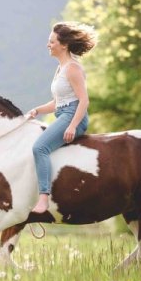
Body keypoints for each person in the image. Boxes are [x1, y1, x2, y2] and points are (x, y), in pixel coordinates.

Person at [26, 21, 97, 214]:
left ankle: (43, 199)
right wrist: (37, 110)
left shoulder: (72, 68)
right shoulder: (61, 69)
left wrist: (73, 126)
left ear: (63, 45)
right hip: (64, 113)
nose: (48, 45)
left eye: (51, 41)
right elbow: (58, 102)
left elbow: (83, 101)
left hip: (74, 116)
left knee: (40, 147)